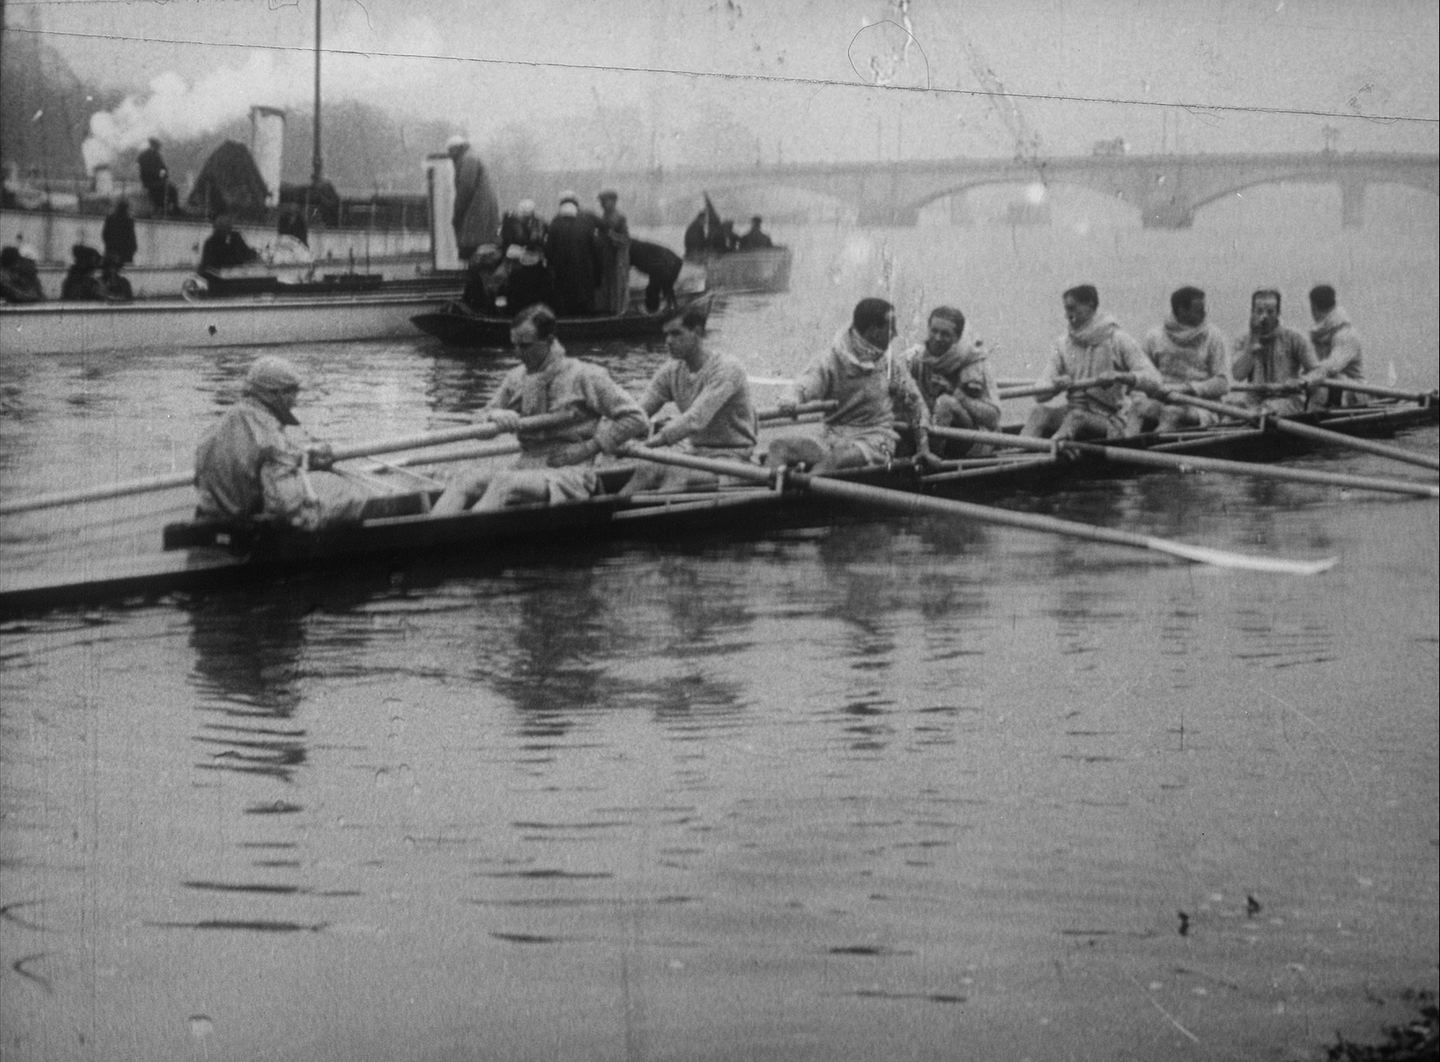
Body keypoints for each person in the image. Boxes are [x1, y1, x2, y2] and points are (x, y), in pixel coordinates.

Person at [431, 304, 648, 514]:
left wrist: (590, 447)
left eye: (525, 346)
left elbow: (636, 418)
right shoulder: (516, 378)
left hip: (570, 472)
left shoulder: (585, 375)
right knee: (464, 479)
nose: (517, 353)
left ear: (549, 341)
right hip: (526, 467)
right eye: (514, 345)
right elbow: (478, 423)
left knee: (504, 483)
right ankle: (435, 533)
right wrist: (493, 415)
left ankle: (469, 536)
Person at [767, 297, 940, 474]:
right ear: (874, 331)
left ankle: (802, 486)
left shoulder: (891, 366)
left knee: (836, 460)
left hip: (876, 439)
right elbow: (804, 384)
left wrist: (923, 449)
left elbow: (916, 404)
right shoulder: (832, 359)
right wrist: (791, 399)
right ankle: (771, 484)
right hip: (832, 435)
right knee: (779, 447)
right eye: (891, 328)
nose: (895, 334)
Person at [193, 356, 367, 531]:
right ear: (277, 394)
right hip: (247, 530)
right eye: (293, 393)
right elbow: (284, 505)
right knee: (350, 495)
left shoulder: (219, 426)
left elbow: (252, 457)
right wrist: (320, 514)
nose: (295, 402)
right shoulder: (269, 436)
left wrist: (300, 457)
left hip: (214, 516)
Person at [625, 300, 758, 493]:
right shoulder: (671, 371)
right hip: (695, 453)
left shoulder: (728, 369)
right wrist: (606, 437)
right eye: (666, 335)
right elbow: (638, 413)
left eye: (676, 333)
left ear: (697, 333)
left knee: (676, 475)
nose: (668, 341)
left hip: (733, 458)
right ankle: (612, 509)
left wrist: (647, 444)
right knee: (645, 468)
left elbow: (695, 419)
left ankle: (657, 509)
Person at [1020, 284, 1160, 441]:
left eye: (1072, 308)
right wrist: (1055, 384)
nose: (1067, 315)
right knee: (1038, 412)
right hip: (1073, 414)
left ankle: (1054, 448)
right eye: (1066, 309)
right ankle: (1018, 451)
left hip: (1110, 420)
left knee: (1076, 417)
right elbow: (1039, 394)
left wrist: (1120, 376)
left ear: (1090, 305)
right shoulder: (1062, 344)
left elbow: (1155, 380)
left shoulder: (1118, 339)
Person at [1125, 285, 1231, 433]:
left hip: (1201, 407)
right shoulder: (1154, 337)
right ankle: (1125, 444)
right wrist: (1141, 394)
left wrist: (1186, 389)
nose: (1205, 314)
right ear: (1182, 310)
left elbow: (1223, 384)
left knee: (1171, 413)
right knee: (1136, 407)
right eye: (1199, 310)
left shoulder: (1214, 337)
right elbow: (1142, 376)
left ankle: (1155, 446)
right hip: (1162, 402)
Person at [900, 305, 1001, 456]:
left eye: (945, 334)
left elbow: (993, 418)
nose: (937, 338)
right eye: (934, 331)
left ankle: (929, 460)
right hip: (928, 428)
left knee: (945, 403)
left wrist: (955, 393)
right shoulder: (916, 358)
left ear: (957, 338)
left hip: (974, 440)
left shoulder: (974, 362)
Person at [1231, 288, 1318, 417]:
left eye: (1270, 312)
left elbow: (1318, 370)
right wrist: (1251, 346)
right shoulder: (1243, 340)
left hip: (1288, 401)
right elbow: (1238, 375)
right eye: (1259, 311)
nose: (1264, 317)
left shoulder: (1295, 338)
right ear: (1252, 313)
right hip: (1253, 403)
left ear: (1278, 313)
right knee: (1230, 412)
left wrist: (1303, 381)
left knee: (1264, 411)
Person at [1303, 284, 1366, 407]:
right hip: (1329, 388)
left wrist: (1304, 379)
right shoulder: (1318, 333)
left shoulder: (1346, 334)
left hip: (1355, 394)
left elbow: (1331, 367)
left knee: (1331, 379)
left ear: (1313, 307)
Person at [544, 192, 603, 316]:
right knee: (584, 297)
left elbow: (549, 250)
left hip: (562, 269)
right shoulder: (587, 220)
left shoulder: (555, 222)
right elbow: (595, 247)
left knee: (565, 298)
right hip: (584, 268)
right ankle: (586, 318)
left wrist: (551, 265)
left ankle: (566, 318)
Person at [446, 134, 500, 262]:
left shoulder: (468, 159)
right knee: (479, 248)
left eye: (450, 151)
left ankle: (474, 268)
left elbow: (465, 188)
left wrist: (457, 213)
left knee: (472, 248)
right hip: (480, 210)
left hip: (476, 211)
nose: (449, 155)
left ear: (456, 148)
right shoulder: (471, 157)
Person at [596, 189, 630, 314]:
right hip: (605, 256)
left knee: (617, 286)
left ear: (613, 201)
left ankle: (617, 311)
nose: (601, 204)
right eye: (601, 201)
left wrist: (612, 235)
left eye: (604, 201)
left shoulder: (619, 217)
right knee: (606, 286)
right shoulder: (603, 216)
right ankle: (608, 310)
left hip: (617, 258)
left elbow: (626, 240)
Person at [628, 239, 683, 313]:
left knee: (656, 289)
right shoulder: (635, 249)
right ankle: (667, 306)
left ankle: (654, 310)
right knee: (662, 287)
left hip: (666, 262)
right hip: (670, 261)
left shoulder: (634, 250)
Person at [137, 137, 180, 216]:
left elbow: (163, 168)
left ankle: (173, 208)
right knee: (166, 190)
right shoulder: (145, 156)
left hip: (158, 180)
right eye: (157, 146)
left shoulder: (156, 155)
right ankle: (164, 208)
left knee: (172, 189)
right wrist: (159, 174)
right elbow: (147, 170)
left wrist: (163, 174)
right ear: (153, 145)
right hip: (150, 181)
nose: (158, 148)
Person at [101, 199, 138, 266]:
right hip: (126, 253)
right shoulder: (129, 220)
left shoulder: (110, 218)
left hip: (111, 252)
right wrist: (133, 249)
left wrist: (109, 247)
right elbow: (131, 238)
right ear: (126, 208)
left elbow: (105, 235)